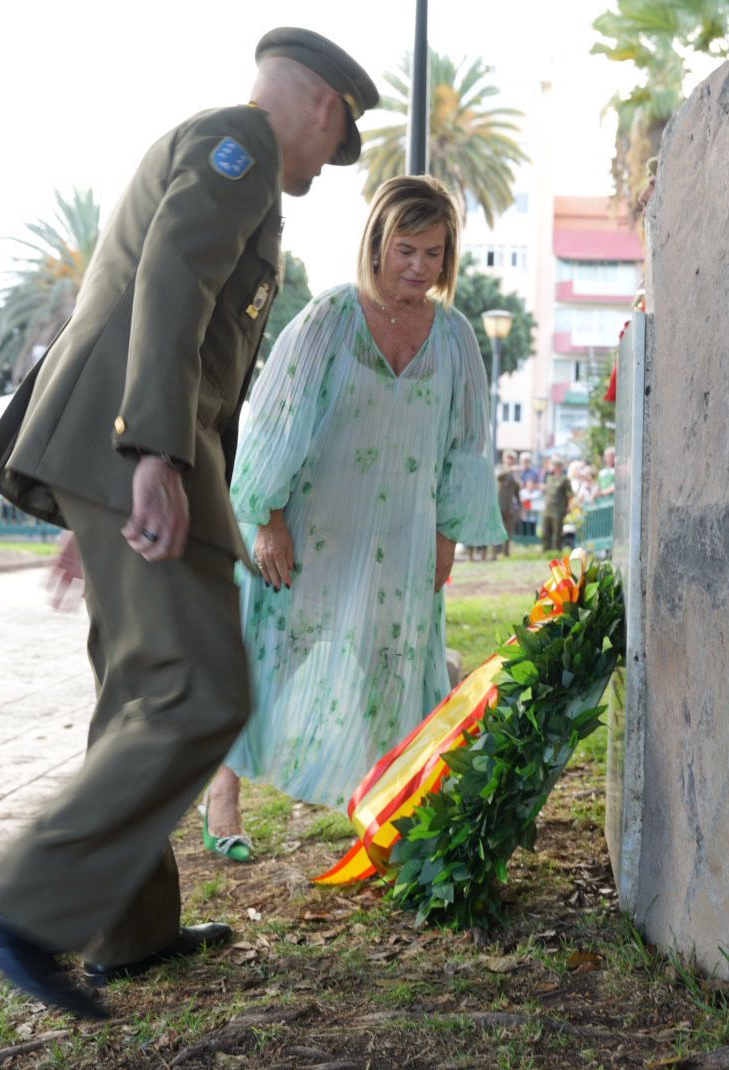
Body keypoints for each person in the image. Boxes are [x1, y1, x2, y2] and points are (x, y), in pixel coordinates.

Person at [0, 28, 379, 1019]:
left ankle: (131, 932)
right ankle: (15, 910)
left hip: (112, 460)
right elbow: (173, 284)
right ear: (322, 106)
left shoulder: (227, 155)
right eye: (336, 138)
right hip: (132, 451)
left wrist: (96, 492)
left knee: (141, 691)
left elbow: (171, 318)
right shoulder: (239, 148)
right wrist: (147, 455)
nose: (326, 161)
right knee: (198, 692)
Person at [202, 175, 506, 854]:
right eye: (407, 250)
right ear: (376, 243)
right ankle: (222, 788)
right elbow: (275, 420)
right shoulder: (329, 319)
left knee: (391, 663)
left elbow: (466, 446)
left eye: (434, 254)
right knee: (270, 654)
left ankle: (387, 804)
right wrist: (269, 516)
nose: (420, 267)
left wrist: (448, 535)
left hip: (400, 535)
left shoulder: (455, 339)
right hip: (312, 527)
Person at [493, 451, 522, 560]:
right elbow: (498, 477)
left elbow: (517, 490)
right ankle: (494, 553)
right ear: (504, 458)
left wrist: (519, 505)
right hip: (499, 504)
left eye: (512, 458)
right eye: (508, 458)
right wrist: (510, 470)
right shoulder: (500, 468)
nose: (510, 460)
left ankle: (506, 553)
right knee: (496, 530)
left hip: (510, 506)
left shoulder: (515, 474)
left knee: (508, 531)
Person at [538, 457, 570, 551]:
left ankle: (557, 551)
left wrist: (568, 508)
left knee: (557, 532)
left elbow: (569, 495)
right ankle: (546, 550)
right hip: (548, 509)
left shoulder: (564, 479)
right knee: (545, 531)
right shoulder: (549, 478)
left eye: (553, 465)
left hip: (558, 509)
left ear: (558, 467)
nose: (551, 467)